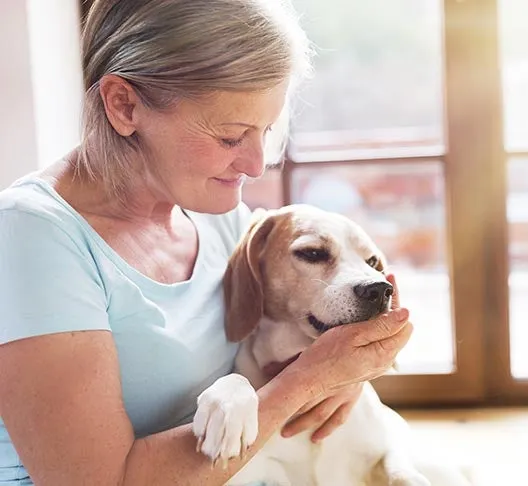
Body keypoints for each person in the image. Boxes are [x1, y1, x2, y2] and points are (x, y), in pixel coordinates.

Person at [0, 0, 414, 484]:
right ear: (124, 105)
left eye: (265, 131)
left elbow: (321, 300)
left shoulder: (213, 213)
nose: (256, 165)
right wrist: (309, 381)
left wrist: (351, 370)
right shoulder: (30, 239)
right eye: (231, 136)